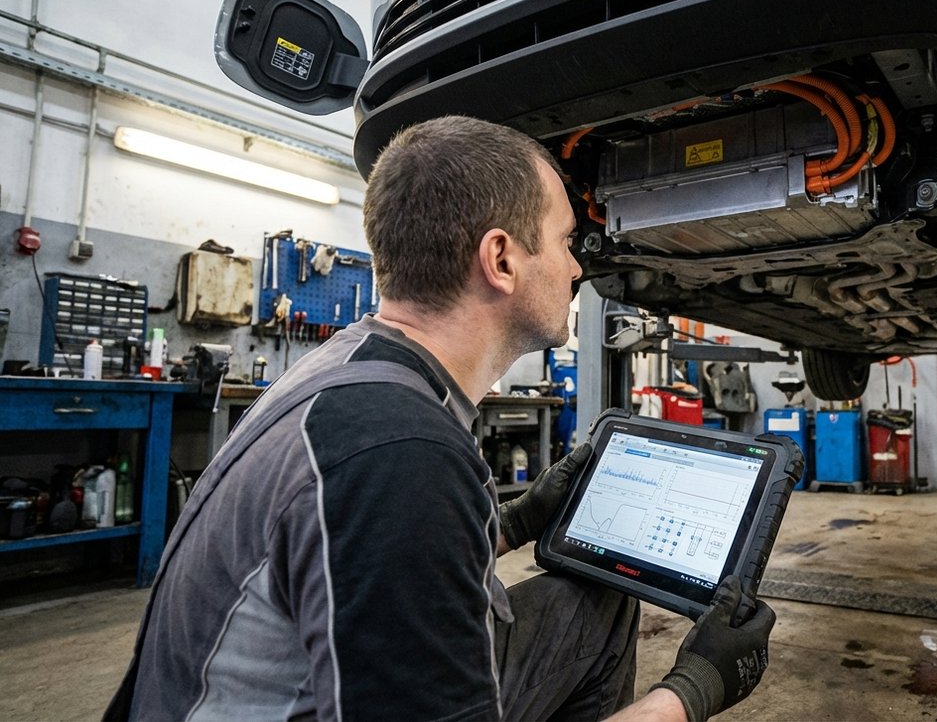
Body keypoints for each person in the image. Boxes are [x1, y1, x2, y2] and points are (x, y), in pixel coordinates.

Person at [104, 116, 774, 721]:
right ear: (502, 259)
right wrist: (691, 691)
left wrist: (514, 523)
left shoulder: (349, 369)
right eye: (567, 241)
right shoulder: (400, 453)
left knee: (595, 599)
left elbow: (363, 568)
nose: (576, 268)